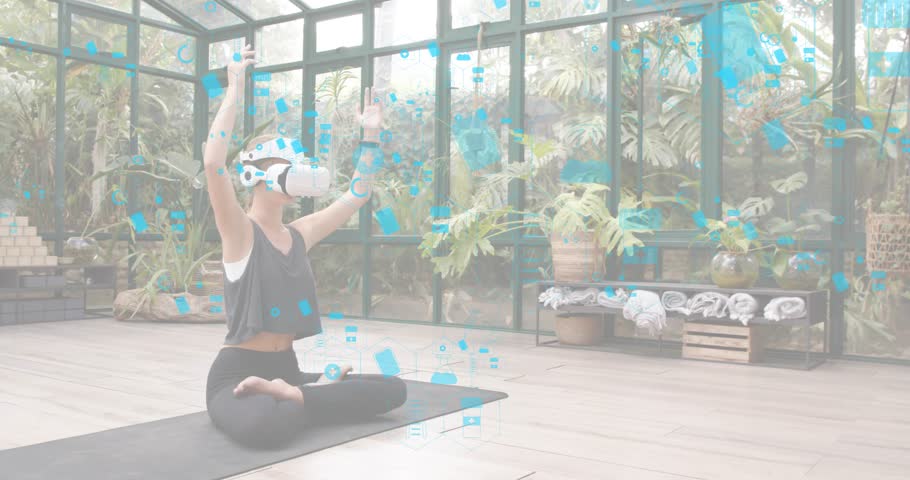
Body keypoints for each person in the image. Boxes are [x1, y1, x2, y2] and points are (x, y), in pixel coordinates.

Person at [203, 44, 406, 449]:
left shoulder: (299, 233)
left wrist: (370, 133)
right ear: (256, 177)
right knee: (265, 426)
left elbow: (358, 194)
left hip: (287, 370)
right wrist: (234, 89)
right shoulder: (241, 232)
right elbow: (212, 163)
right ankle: (300, 397)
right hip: (237, 373)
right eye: (286, 162)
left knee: (393, 390)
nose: (298, 171)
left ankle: (295, 394)